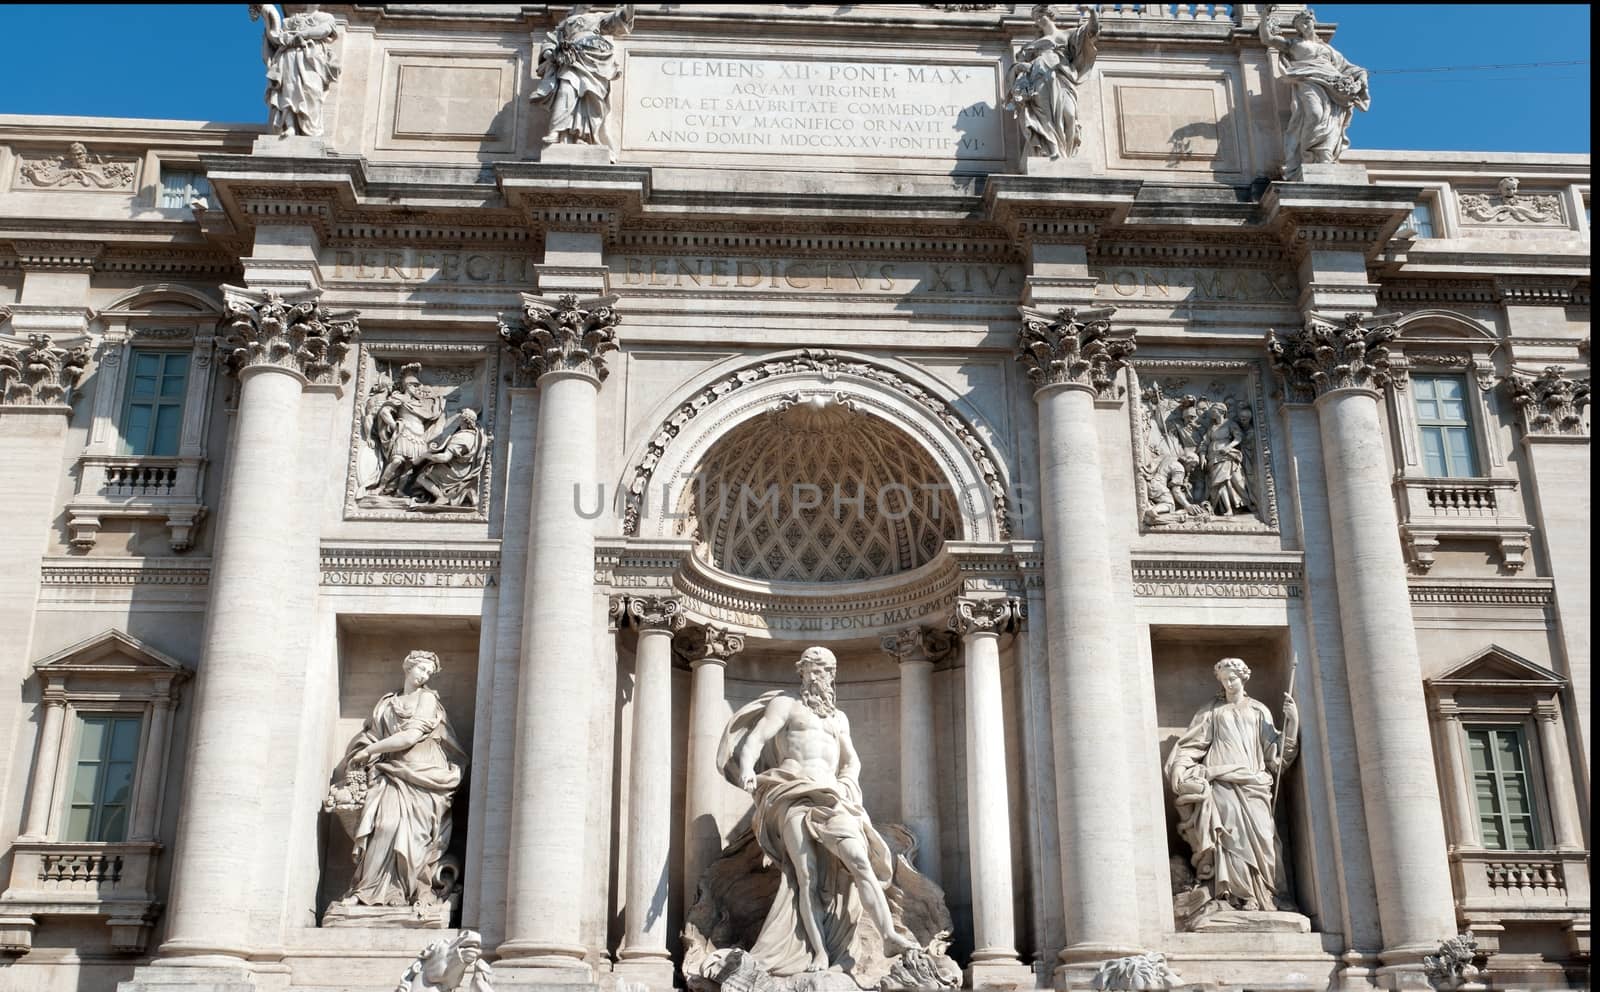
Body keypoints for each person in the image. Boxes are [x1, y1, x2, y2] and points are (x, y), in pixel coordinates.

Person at [718, 647, 919, 975]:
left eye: (824, 670)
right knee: (806, 876)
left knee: (859, 860)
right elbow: (756, 739)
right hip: (792, 793)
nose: (818, 676)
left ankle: (888, 935)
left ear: (832, 675)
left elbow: (851, 759)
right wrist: (747, 769)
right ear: (802, 672)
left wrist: (847, 784)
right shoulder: (786, 706)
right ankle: (819, 952)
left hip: (831, 796)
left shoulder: (838, 718)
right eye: (812, 669)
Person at [1165, 658, 1298, 918]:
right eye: (1223, 679)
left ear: (1243, 678)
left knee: (1265, 839)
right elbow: (1192, 745)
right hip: (1222, 782)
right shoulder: (1212, 711)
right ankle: (1238, 896)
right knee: (1230, 838)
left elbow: (1278, 755)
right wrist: (1180, 768)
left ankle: (1265, 894)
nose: (1228, 683)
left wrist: (1292, 722)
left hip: (1254, 783)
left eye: (1232, 678)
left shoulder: (1259, 711)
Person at [337, 650, 467, 910]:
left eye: (430, 672)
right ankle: (367, 891)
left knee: (412, 837)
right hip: (389, 774)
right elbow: (373, 734)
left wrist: (368, 752)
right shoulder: (387, 702)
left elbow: (408, 738)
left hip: (423, 778)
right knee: (383, 827)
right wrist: (363, 751)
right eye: (422, 669)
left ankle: (402, 894)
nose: (425, 675)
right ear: (408, 667)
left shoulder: (428, 699)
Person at [1258, 7, 1369, 180]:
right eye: (1300, 23)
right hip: (1308, 79)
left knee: (1331, 122)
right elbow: (1268, 38)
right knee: (1315, 114)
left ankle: (1324, 155)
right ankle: (1308, 154)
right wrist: (1265, 15)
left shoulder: (1328, 50)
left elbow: (1350, 68)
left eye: (1306, 21)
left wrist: (1361, 76)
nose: (1304, 25)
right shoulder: (1294, 44)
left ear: (1313, 22)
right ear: (1297, 28)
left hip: (1332, 84)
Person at [532, 5, 636, 149]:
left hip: (594, 62)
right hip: (571, 60)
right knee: (565, 91)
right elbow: (550, 42)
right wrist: (553, 53)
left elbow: (619, 19)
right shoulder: (564, 24)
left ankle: (584, 135)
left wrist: (628, 8)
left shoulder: (598, 17)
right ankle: (556, 131)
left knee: (592, 97)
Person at [1005, 5, 1100, 160]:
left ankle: (1066, 153)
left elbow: (1092, 32)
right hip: (1040, 80)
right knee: (1044, 117)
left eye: (1039, 15)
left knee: (1069, 115)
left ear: (1049, 14)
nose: (1037, 19)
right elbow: (1018, 68)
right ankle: (1052, 150)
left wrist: (1092, 11)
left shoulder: (1067, 34)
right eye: (1034, 17)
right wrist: (1021, 68)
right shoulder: (1030, 46)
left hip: (1063, 80)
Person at [251, 4, 342, 138]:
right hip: (289, 57)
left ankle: (310, 130)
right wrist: (268, 15)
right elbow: (277, 37)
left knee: (312, 91)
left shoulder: (326, 17)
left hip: (312, 59)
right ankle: (290, 126)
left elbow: (324, 30)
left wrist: (302, 34)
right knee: (289, 90)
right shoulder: (291, 20)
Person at [370, 365, 446, 497]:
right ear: (408, 386)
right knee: (397, 461)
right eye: (415, 386)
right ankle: (381, 487)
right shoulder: (400, 398)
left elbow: (432, 414)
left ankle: (399, 490)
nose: (418, 389)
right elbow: (384, 411)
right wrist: (394, 426)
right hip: (405, 433)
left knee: (410, 466)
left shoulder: (420, 404)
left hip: (419, 436)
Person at [412, 409, 489, 508]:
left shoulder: (461, 437)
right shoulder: (474, 435)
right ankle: (464, 494)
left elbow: (445, 458)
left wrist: (426, 455)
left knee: (422, 477)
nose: (458, 418)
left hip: (455, 471)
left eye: (460, 416)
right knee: (429, 469)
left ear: (464, 420)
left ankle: (441, 497)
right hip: (463, 469)